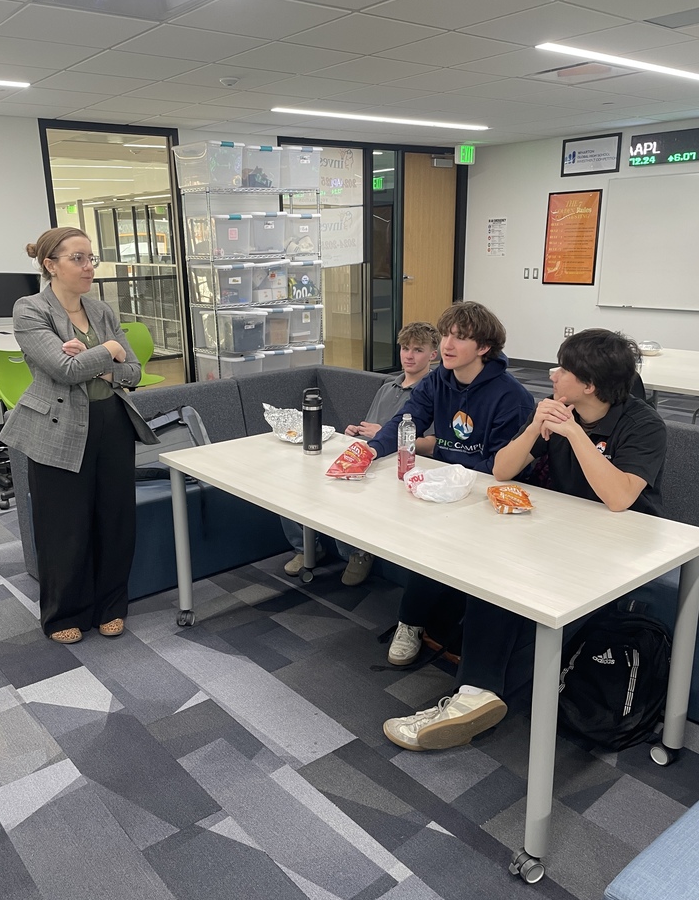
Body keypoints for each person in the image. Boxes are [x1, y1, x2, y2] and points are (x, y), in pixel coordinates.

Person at [383, 328, 667, 751]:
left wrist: (574, 434)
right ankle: (475, 696)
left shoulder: (643, 424)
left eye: (564, 369)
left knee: (549, 612)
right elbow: (501, 470)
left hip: (619, 549)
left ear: (589, 385)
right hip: (559, 533)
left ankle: (475, 697)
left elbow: (621, 497)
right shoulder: (554, 411)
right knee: (488, 576)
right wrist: (535, 427)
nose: (553, 374)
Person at [0, 227, 158, 644]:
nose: (89, 267)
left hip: (111, 421)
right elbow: (63, 370)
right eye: (78, 259)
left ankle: (111, 606)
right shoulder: (30, 309)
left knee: (115, 519)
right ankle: (64, 613)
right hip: (57, 425)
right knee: (63, 525)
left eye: (91, 259)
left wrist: (99, 358)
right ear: (51, 264)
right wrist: (109, 350)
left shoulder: (101, 310)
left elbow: (134, 373)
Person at [366, 301, 535, 665]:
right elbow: (405, 420)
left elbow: (499, 467)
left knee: (439, 545)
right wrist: (370, 452)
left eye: (460, 338)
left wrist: (448, 464)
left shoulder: (512, 397)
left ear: (484, 348)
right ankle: (411, 623)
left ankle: (420, 625)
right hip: (443, 486)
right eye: (445, 335)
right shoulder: (437, 380)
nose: (447, 345)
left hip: (486, 494)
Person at [282, 321, 440, 585]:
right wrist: (356, 431)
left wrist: (386, 434)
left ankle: (358, 551)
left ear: (432, 354)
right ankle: (306, 547)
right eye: (404, 348)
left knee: (341, 492)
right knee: (296, 482)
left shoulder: (432, 392)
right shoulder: (387, 387)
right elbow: (372, 427)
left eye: (418, 350)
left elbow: (433, 444)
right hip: (370, 454)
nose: (409, 355)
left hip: (398, 465)